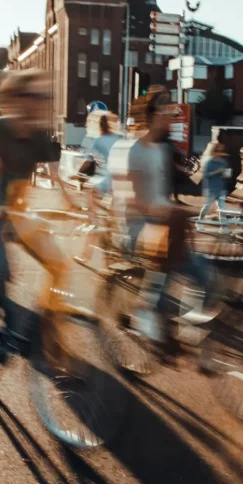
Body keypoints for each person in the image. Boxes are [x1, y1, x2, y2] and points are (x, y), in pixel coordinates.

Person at [0, 69, 73, 342]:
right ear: (17, 99)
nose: (42, 101)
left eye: (45, 96)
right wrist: (2, 216)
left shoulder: (38, 134)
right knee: (2, 272)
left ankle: (44, 323)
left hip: (18, 212)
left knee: (59, 263)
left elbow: (56, 177)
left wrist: (76, 205)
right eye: (36, 96)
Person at [120, 87, 215, 345]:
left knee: (204, 277)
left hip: (166, 225)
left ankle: (181, 331)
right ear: (151, 117)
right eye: (164, 114)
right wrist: (166, 211)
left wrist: (208, 198)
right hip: (142, 226)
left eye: (170, 115)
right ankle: (147, 319)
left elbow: (182, 182)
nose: (169, 119)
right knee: (167, 275)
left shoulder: (165, 149)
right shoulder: (137, 150)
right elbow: (138, 199)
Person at [88, 110, 122, 195]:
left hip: (110, 174)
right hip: (123, 172)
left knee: (93, 192)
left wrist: (80, 172)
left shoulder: (98, 141)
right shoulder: (119, 137)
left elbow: (89, 160)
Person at [198, 141, 231, 221]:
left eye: (220, 151)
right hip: (211, 189)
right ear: (214, 152)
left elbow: (227, 176)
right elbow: (205, 175)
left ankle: (223, 227)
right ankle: (200, 220)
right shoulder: (209, 162)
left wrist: (226, 173)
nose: (219, 153)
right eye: (217, 151)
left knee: (222, 208)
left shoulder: (224, 162)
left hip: (221, 189)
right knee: (207, 207)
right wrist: (216, 172)